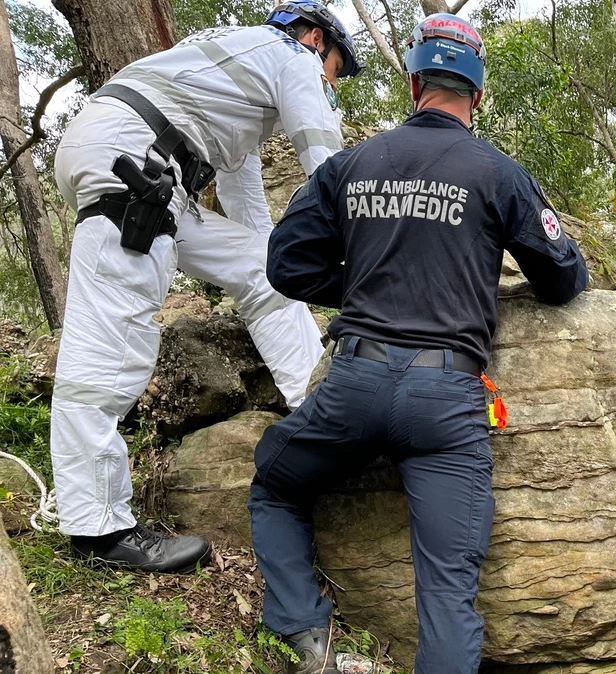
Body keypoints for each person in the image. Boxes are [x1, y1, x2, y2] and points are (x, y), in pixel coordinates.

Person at [248, 13, 589, 674]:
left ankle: (302, 630)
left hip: (354, 385)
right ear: (478, 95)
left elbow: (285, 264)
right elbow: (561, 279)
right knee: (448, 595)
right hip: (447, 402)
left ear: (413, 85)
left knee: (275, 483)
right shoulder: (498, 172)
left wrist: (370, 289)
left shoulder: (351, 165)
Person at [50, 0, 362, 573]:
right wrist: (365, 264)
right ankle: (99, 527)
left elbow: (254, 226)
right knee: (112, 346)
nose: (331, 86)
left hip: (141, 157)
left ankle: (313, 398)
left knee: (258, 264)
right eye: (337, 71)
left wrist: (290, 266)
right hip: (134, 164)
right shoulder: (292, 55)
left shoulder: (239, 79)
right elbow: (328, 166)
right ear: (317, 38)